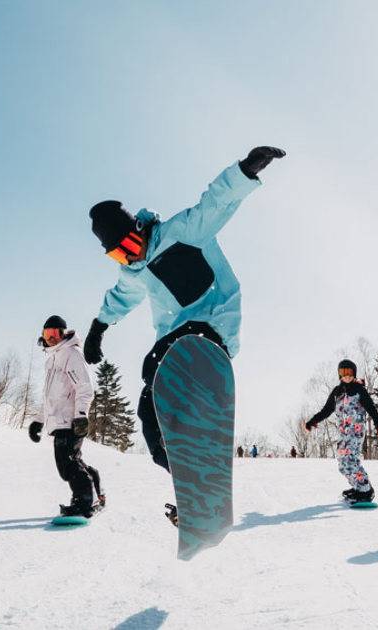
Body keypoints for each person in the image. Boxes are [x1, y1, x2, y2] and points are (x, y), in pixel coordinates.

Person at [82, 146, 285, 522]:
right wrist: (97, 329)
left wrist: (244, 171)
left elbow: (215, 204)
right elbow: (120, 298)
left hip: (213, 326)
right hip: (175, 342)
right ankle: (195, 490)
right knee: (150, 412)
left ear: (137, 229)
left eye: (127, 246)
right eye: (117, 256)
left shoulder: (180, 232)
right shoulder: (134, 271)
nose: (128, 258)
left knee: (159, 357)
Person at [28, 316, 103, 518]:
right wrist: (38, 420)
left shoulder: (71, 354)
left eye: (56, 334)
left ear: (64, 334)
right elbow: (50, 397)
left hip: (71, 420)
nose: (51, 338)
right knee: (69, 463)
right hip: (58, 420)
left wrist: (80, 416)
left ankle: (85, 501)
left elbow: (85, 388)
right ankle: (93, 488)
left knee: (67, 463)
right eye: (47, 334)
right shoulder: (52, 360)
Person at [304, 359, 378, 504]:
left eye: (349, 372)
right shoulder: (337, 392)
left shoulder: (359, 390)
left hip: (355, 432)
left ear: (354, 373)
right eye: (343, 372)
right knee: (342, 464)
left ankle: (366, 490)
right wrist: (312, 421)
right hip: (343, 434)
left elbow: (371, 408)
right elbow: (326, 410)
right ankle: (357, 487)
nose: (346, 375)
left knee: (351, 461)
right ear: (339, 374)